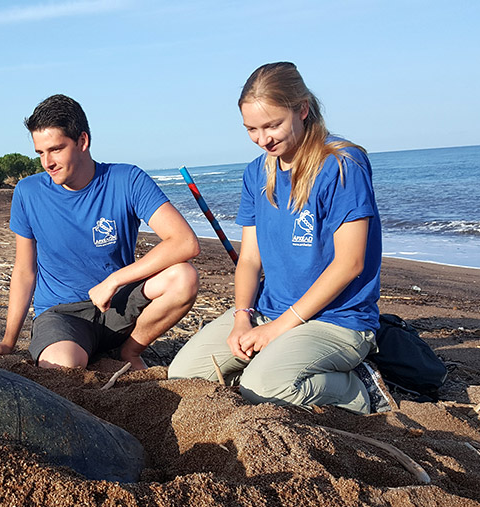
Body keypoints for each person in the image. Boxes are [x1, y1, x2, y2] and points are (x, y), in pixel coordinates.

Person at [168, 62, 392, 414]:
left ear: (302, 109)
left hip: (337, 320)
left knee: (264, 387)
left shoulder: (343, 164)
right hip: (267, 310)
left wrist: (276, 331)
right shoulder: (256, 172)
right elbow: (249, 260)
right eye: (251, 129)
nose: (263, 139)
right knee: (183, 376)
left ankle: (361, 387)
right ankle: (273, 363)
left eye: (272, 125)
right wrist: (242, 317)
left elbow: (350, 263)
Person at [0, 94, 200, 370]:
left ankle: (130, 351)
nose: (47, 162)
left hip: (117, 305)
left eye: (56, 149)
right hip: (62, 314)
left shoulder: (127, 179)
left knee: (184, 277)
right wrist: (8, 342)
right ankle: (84, 352)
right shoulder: (28, 192)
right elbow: (25, 271)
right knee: (64, 366)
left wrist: (114, 281)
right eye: (40, 153)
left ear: (83, 141)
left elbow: (185, 242)